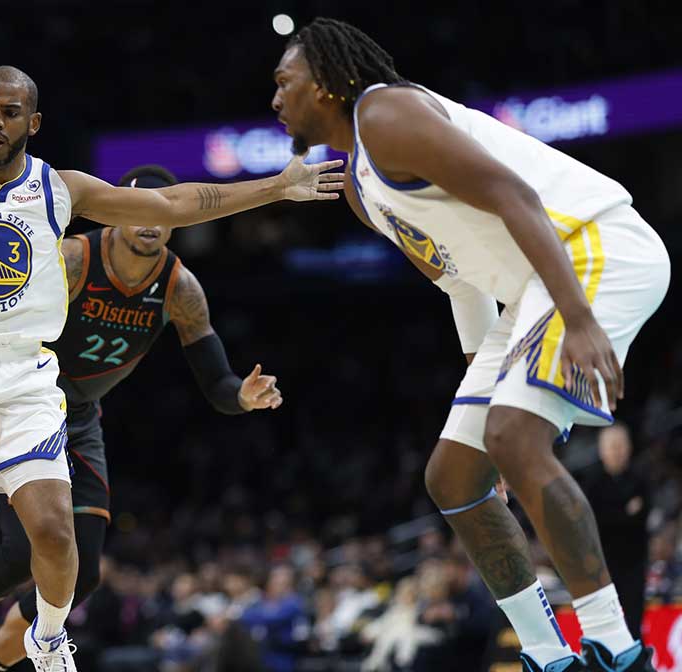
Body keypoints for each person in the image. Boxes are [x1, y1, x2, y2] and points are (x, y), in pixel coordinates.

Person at [0, 65, 339, 671]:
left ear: (32, 123)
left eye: (10, 112)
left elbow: (175, 201)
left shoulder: (61, 191)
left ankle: (46, 637)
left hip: (26, 380)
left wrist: (276, 186)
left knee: (56, 537)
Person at [270, 17, 670, 672]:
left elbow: (513, 195)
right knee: (454, 477)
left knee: (515, 438)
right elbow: (458, 280)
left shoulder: (387, 112)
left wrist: (576, 316)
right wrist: (482, 390)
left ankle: (618, 649)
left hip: (591, 249)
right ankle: (547, 653)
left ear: (327, 85)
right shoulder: (359, 187)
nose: (275, 98)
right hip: (527, 292)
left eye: (285, 82)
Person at [0, 164, 282, 671]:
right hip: (28, 402)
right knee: (20, 556)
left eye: (160, 211)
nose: (148, 221)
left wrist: (244, 398)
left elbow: (217, 384)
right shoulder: (76, 258)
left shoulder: (179, 288)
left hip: (79, 418)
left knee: (84, 575)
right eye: (138, 206)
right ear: (120, 207)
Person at [579, 422, 650, 637]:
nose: (617, 451)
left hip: (634, 564)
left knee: (633, 622)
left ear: (629, 447)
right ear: (602, 450)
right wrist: (625, 513)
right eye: (612, 446)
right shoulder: (592, 483)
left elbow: (642, 515)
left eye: (621, 445)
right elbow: (593, 522)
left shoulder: (640, 479)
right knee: (605, 624)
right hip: (603, 566)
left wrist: (615, 515)